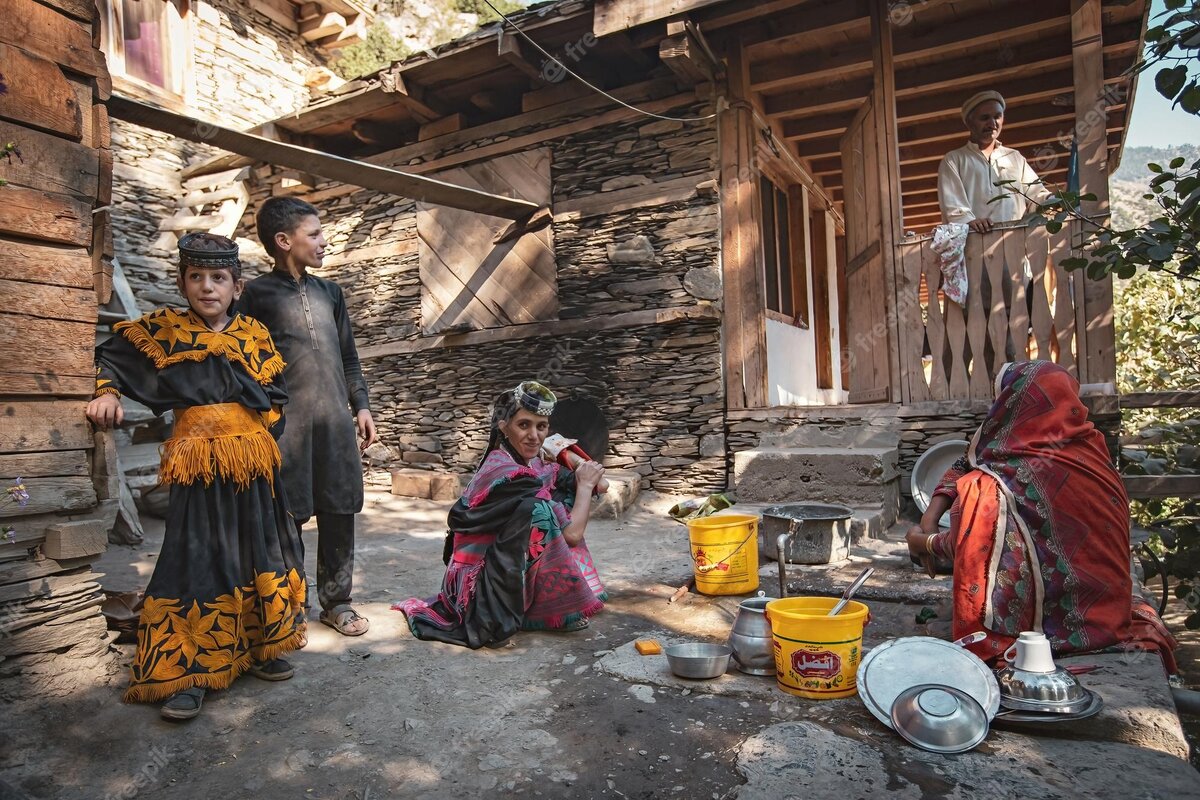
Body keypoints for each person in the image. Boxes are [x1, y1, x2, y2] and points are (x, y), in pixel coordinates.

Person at [87, 233, 305, 720]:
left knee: (259, 549)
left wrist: (253, 441)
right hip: (198, 464)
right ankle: (188, 672)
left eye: (219, 278)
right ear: (183, 282)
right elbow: (109, 359)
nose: (208, 287)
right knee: (198, 558)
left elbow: (276, 397)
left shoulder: (254, 334)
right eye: (197, 277)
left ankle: (256, 651)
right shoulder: (163, 330)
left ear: (237, 285)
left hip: (253, 464)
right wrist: (109, 393)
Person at [906, 360, 1177, 670]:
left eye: (1001, 398)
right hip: (1112, 613)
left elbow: (976, 546)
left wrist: (924, 542)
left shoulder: (1003, 482)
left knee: (979, 491)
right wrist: (930, 515)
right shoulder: (1093, 451)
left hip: (1055, 628)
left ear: (1013, 402)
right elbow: (969, 460)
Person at [241, 197, 377, 638]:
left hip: (336, 424)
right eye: (314, 233)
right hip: (286, 429)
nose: (324, 241)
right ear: (284, 241)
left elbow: (350, 359)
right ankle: (289, 607)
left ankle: (337, 603)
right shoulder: (255, 296)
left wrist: (362, 405)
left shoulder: (329, 293)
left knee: (340, 508)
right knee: (289, 514)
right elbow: (242, 362)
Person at [395, 381, 608, 649]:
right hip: (476, 589)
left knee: (558, 501)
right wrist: (585, 484)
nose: (534, 436)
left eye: (541, 427)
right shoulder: (506, 472)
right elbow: (573, 535)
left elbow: (603, 484)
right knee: (545, 513)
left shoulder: (529, 463)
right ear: (504, 426)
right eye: (524, 425)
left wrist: (561, 452)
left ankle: (546, 604)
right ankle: (543, 609)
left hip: (495, 570)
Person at [938, 90, 1054, 233]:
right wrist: (969, 221)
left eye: (997, 117)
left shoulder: (1014, 157)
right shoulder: (954, 160)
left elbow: (1036, 195)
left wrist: (1052, 199)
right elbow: (954, 208)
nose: (992, 123)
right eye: (984, 118)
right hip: (975, 246)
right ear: (969, 122)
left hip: (1016, 242)